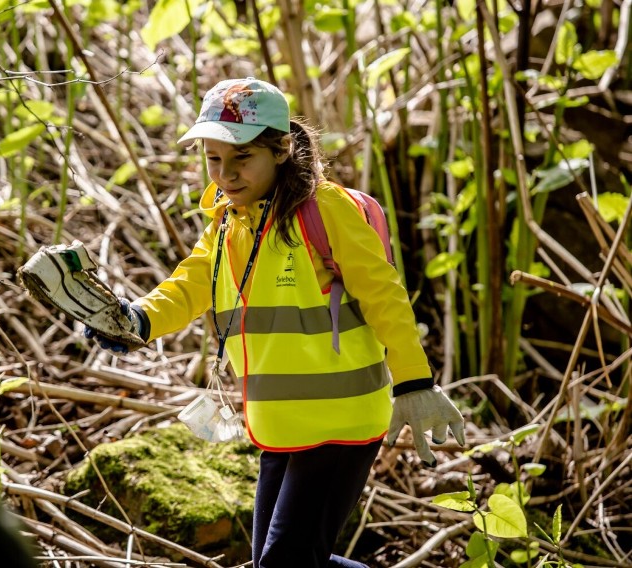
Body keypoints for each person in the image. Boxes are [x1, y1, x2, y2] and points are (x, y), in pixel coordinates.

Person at [85, 77, 465, 568]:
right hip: (279, 423)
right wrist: (138, 320)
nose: (226, 175)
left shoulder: (325, 210)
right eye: (214, 159)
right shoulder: (228, 220)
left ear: (283, 148)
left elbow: (384, 295)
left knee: (285, 563)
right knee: (284, 562)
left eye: (242, 158)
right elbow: (193, 282)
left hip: (340, 419)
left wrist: (414, 381)